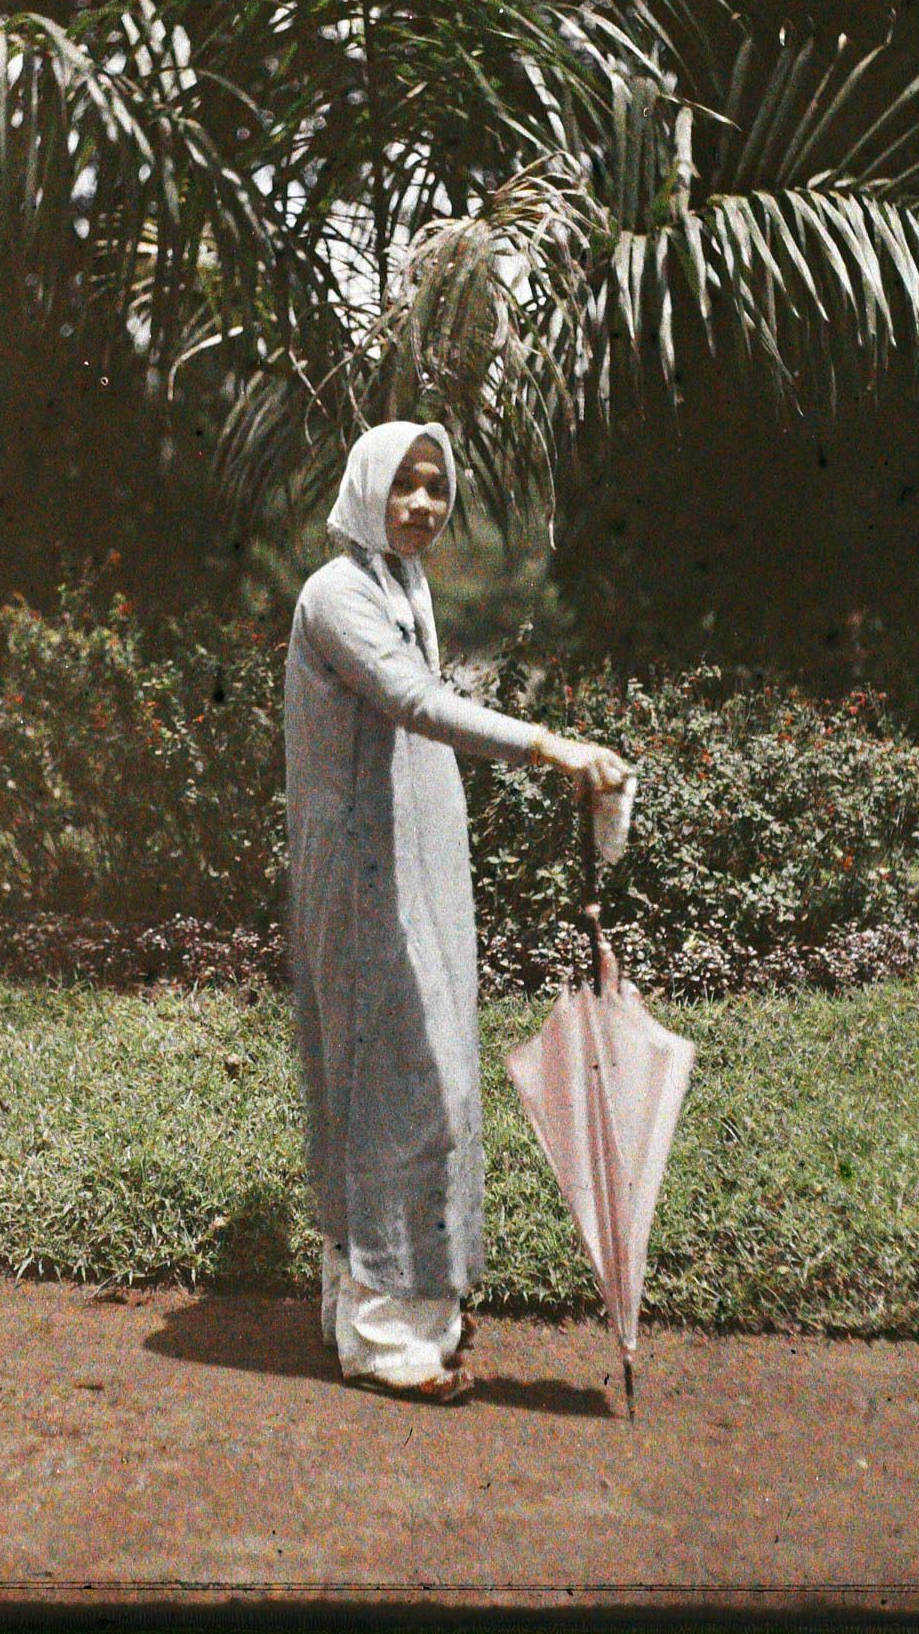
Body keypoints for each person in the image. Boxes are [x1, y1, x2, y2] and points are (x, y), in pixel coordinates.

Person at [283, 420, 631, 1401]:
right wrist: (548, 745)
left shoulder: (400, 585)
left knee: (410, 1073)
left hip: (407, 859)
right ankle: (386, 1334)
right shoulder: (337, 595)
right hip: (360, 875)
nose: (423, 504)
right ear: (365, 488)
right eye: (405, 485)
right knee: (402, 1083)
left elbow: (427, 699)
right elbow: (412, 701)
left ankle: (374, 1308)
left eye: (436, 487)